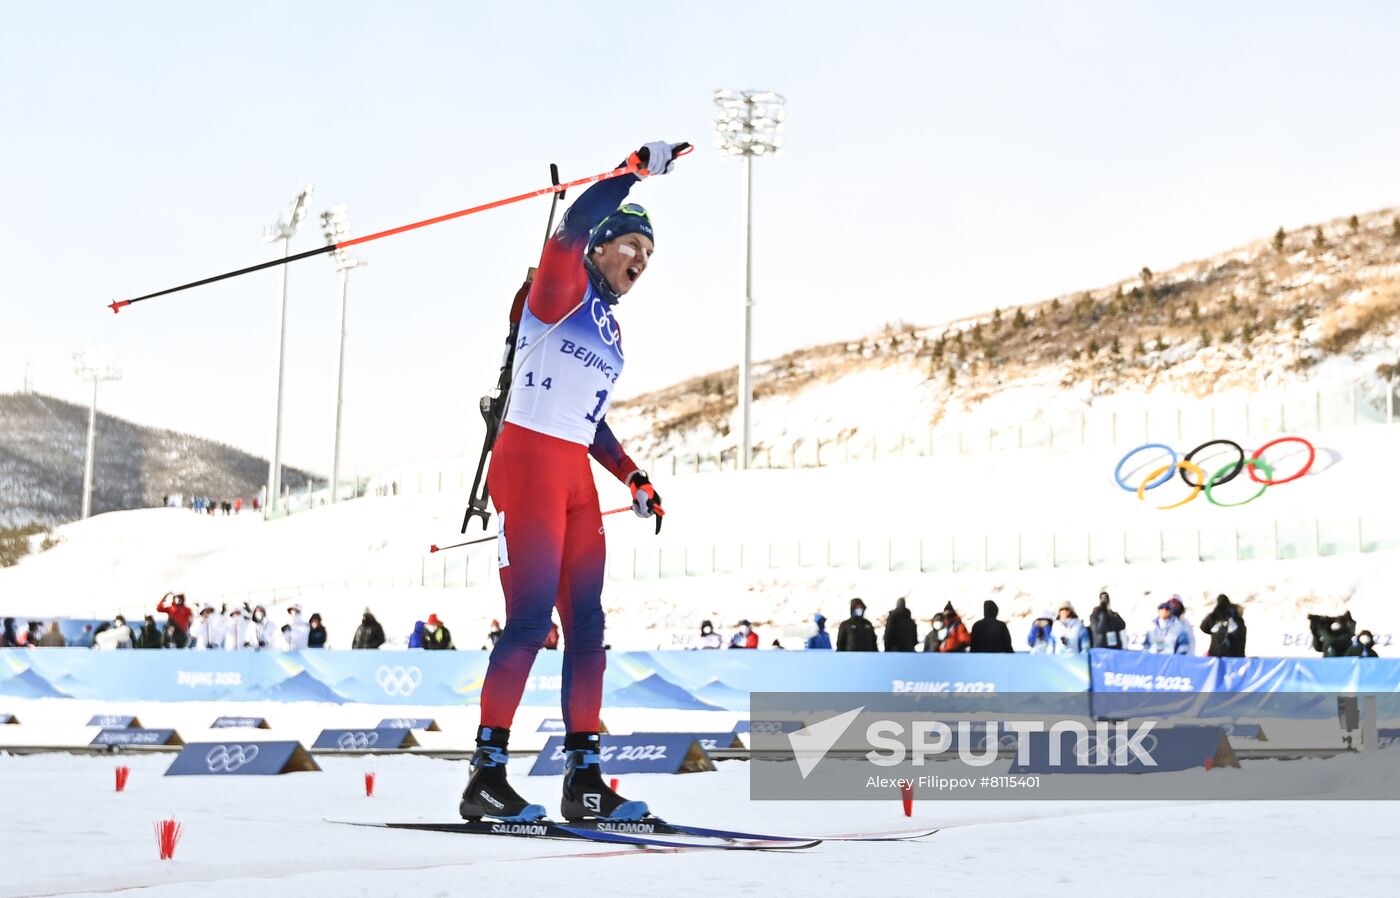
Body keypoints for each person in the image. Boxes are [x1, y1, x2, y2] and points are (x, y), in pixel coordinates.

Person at [461, 141, 686, 826]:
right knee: (530, 621)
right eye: (632, 245)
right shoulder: (561, 288)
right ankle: (486, 778)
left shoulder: (610, 329)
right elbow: (570, 227)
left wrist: (633, 476)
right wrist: (631, 171)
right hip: (527, 461)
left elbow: (591, 423)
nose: (641, 261)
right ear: (602, 246)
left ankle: (584, 781)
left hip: (572, 475)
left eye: (649, 253)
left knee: (587, 626)